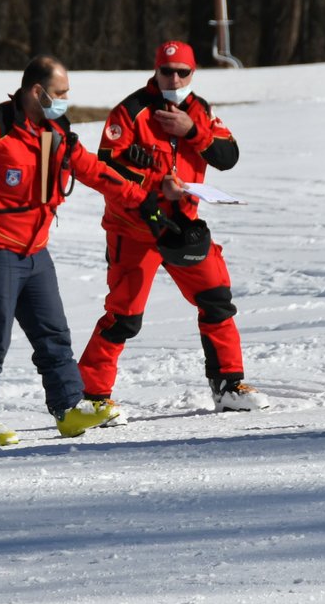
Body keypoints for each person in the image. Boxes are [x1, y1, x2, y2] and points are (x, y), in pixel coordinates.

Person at [0, 55, 183, 447]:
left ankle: (69, 408)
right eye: (60, 92)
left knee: (53, 333)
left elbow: (95, 171)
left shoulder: (55, 132)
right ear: (36, 91)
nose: (66, 100)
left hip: (35, 249)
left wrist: (143, 201)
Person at [77, 40, 269, 414]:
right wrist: (153, 190)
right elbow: (108, 171)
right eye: (168, 71)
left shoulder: (200, 110)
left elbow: (228, 157)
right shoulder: (129, 112)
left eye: (183, 72)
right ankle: (92, 397)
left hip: (183, 226)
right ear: (156, 70)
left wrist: (192, 131)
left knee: (216, 300)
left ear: (193, 73)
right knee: (124, 317)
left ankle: (228, 383)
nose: (175, 78)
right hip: (134, 230)